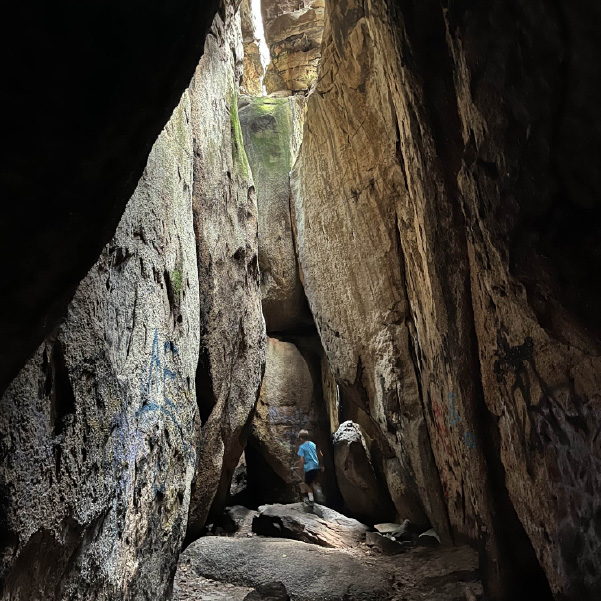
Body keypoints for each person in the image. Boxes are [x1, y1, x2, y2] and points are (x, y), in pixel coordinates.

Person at [297, 429, 324, 507]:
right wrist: (321, 465)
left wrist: (300, 469)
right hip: (316, 466)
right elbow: (321, 454)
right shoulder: (313, 444)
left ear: (301, 438)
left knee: (307, 484)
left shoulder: (302, 447)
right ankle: (319, 496)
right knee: (313, 482)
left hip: (309, 467)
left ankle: (311, 500)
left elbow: (302, 459)